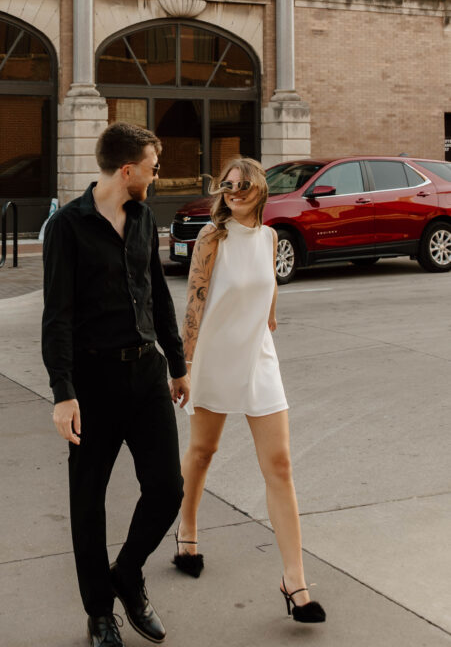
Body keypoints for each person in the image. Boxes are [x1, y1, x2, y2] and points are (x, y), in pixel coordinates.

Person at [42, 122, 190, 647]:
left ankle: (127, 573)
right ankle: (100, 613)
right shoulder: (67, 227)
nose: (157, 173)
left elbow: (158, 295)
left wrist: (176, 363)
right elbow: (56, 315)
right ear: (127, 170)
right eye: (152, 166)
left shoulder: (146, 217)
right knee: (88, 500)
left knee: (167, 488)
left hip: (146, 373)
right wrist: (63, 392)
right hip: (93, 379)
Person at [173, 156, 326, 624]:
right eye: (228, 185)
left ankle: (295, 581)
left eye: (243, 185)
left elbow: (270, 296)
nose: (234, 191)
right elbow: (195, 303)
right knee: (202, 452)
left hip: (258, 359)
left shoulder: (270, 237)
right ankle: (188, 529)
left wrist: (268, 320)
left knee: (279, 466)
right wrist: (183, 366)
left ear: (260, 189)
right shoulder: (211, 238)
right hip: (214, 358)